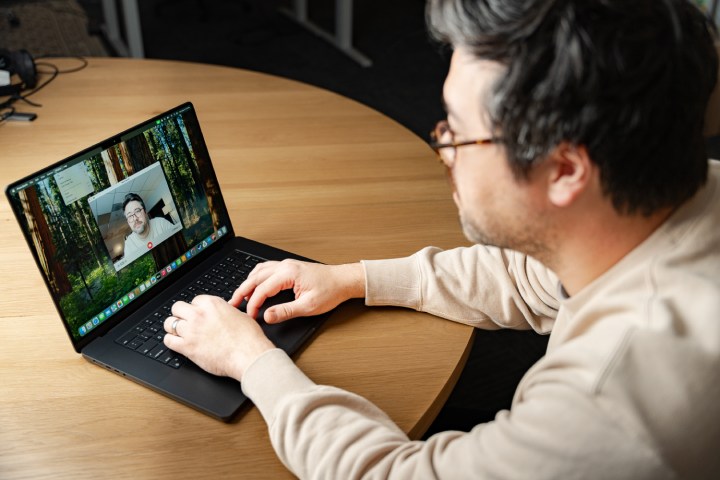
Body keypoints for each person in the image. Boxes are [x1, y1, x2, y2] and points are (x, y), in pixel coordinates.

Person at [163, 0, 720, 477]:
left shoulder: (613, 398)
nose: (443, 151)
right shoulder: (681, 195)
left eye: (458, 132)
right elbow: (533, 277)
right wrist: (350, 279)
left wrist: (251, 359)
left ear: (566, 170)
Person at [122, 192, 175, 259]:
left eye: (137, 211)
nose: (135, 218)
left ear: (145, 212)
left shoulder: (161, 223)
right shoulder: (129, 245)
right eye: (129, 216)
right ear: (128, 222)